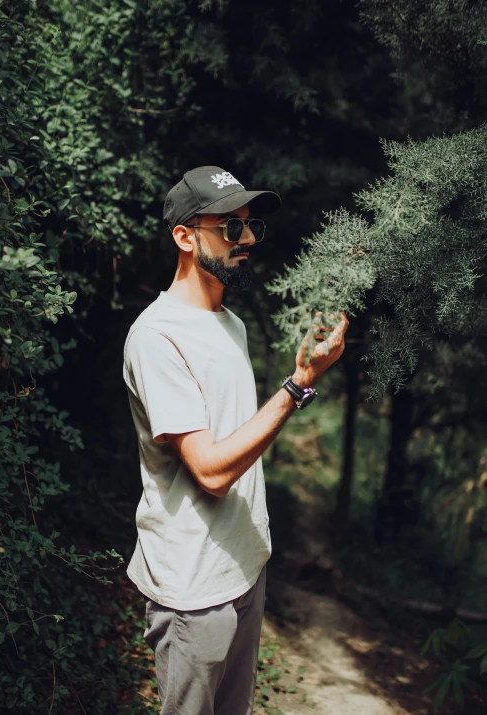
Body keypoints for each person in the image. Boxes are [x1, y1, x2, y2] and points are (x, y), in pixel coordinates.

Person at [122, 166, 348, 714]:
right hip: (194, 589)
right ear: (185, 236)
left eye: (249, 227)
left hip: (244, 566)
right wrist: (298, 386)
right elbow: (213, 472)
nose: (246, 239)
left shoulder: (230, 323)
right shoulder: (156, 338)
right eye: (230, 227)